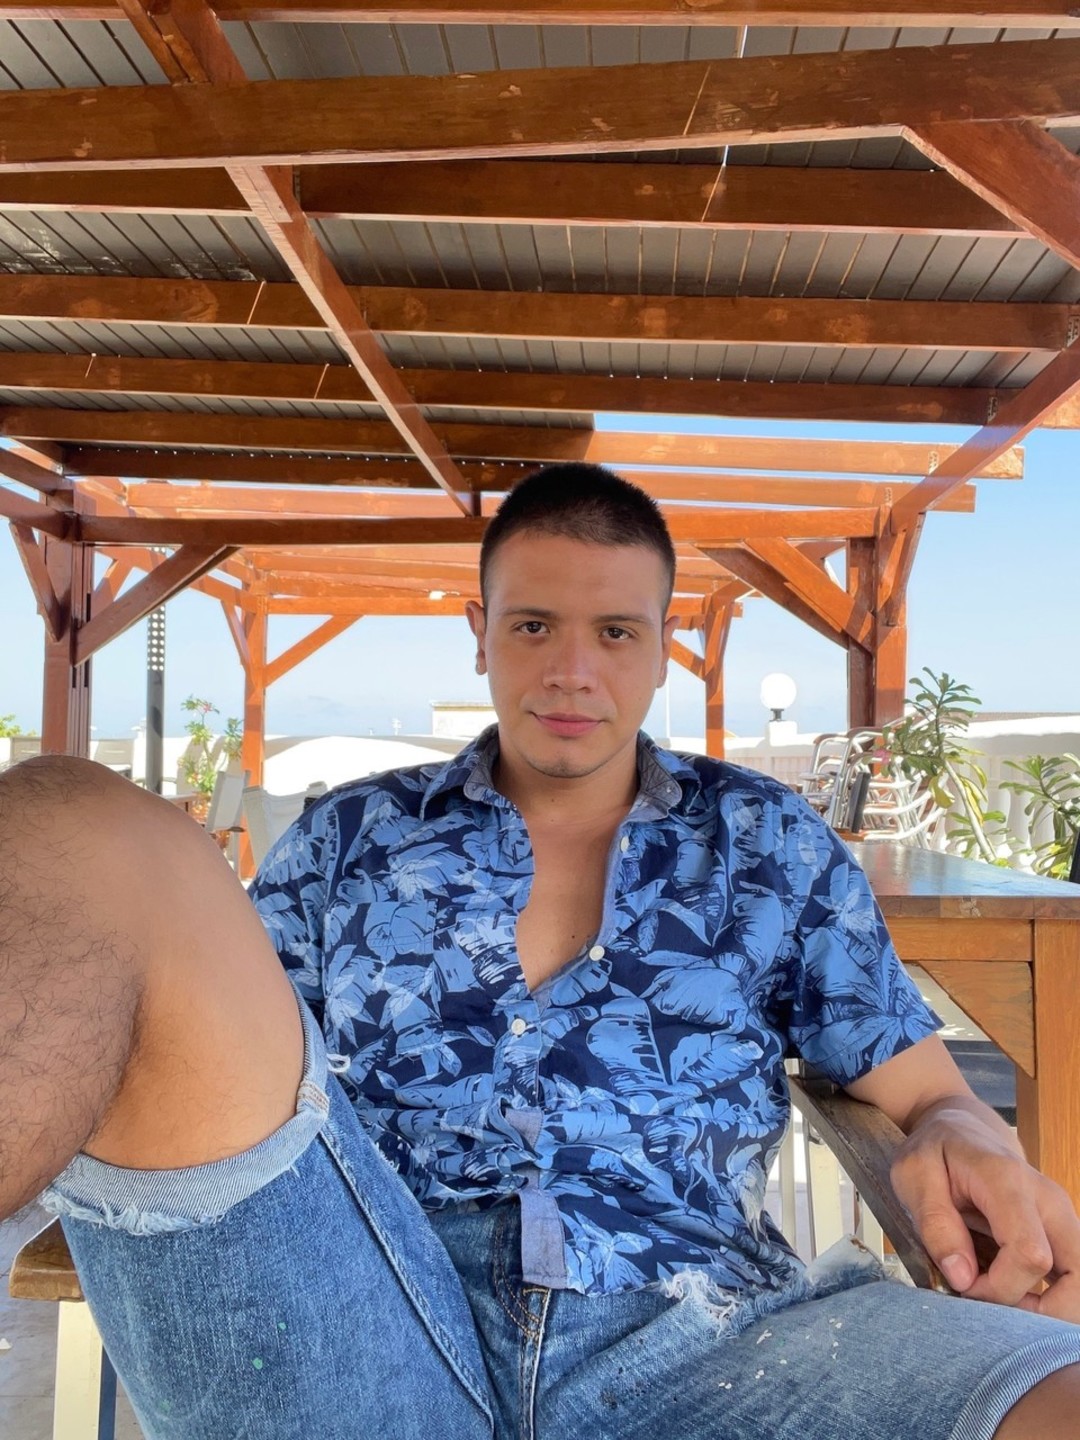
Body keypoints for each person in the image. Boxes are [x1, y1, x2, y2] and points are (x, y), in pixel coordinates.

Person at [2, 462, 1080, 1440]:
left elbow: (929, 1092)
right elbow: (223, 1070)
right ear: (480, 633)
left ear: (662, 644)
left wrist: (961, 1134)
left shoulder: (764, 843)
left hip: (707, 1338)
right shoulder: (349, 838)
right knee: (68, 820)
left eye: (615, 632)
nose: (572, 671)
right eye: (532, 627)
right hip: (365, 1316)